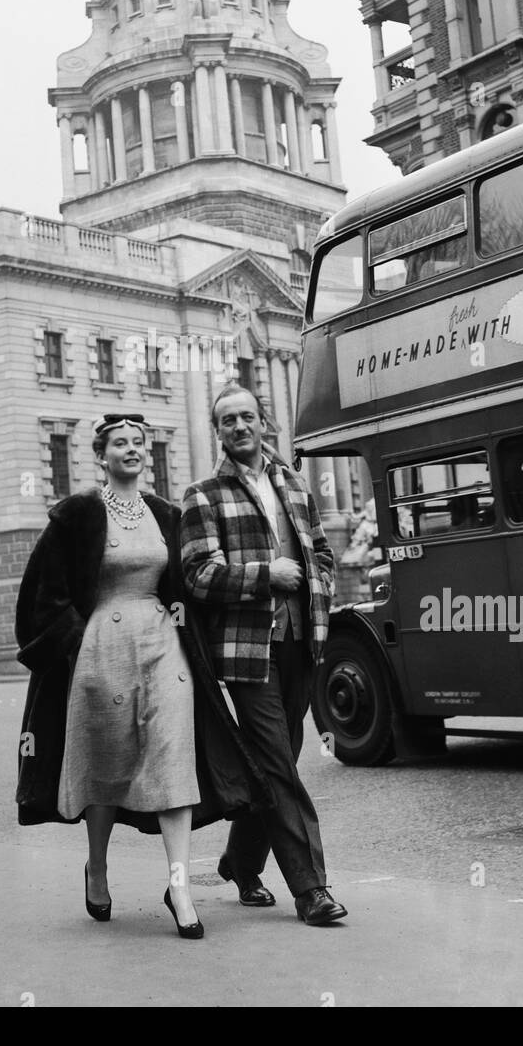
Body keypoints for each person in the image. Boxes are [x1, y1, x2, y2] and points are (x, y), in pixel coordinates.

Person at [15, 413, 270, 940]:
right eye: (120, 444)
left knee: (174, 758)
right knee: (106, 766)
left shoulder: (166, 515)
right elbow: (43, 590)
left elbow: (187, 584)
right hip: (100, 651)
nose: (132, 450)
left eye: (139, 442)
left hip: (163, 645)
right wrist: (71, 642)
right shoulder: (77, 515)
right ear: (101, 456)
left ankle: (179, 885)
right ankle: (99, 868)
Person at [180, 384, 348, 926]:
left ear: (262, 422)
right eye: (227, 420)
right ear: (219, 431)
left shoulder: (293, 484)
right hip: (247, 654)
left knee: (278, 759)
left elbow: (321, 552)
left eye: (247, 416)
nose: (239, 427)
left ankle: (239, 860)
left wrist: (314, 584)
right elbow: (197, 575)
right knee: (278, 762)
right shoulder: (202, 495)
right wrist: (264, 577)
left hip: (302, 640)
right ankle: (311, 889)